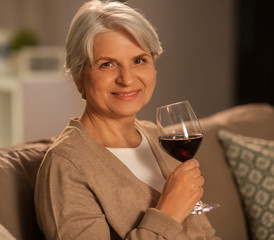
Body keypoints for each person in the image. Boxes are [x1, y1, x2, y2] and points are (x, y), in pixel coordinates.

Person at [34, 0, 220, 239]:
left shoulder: (158, 137)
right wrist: (168, 214)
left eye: (139, 60)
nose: (127, 79)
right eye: (107, 64)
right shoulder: (67, 165)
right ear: (79, 77)